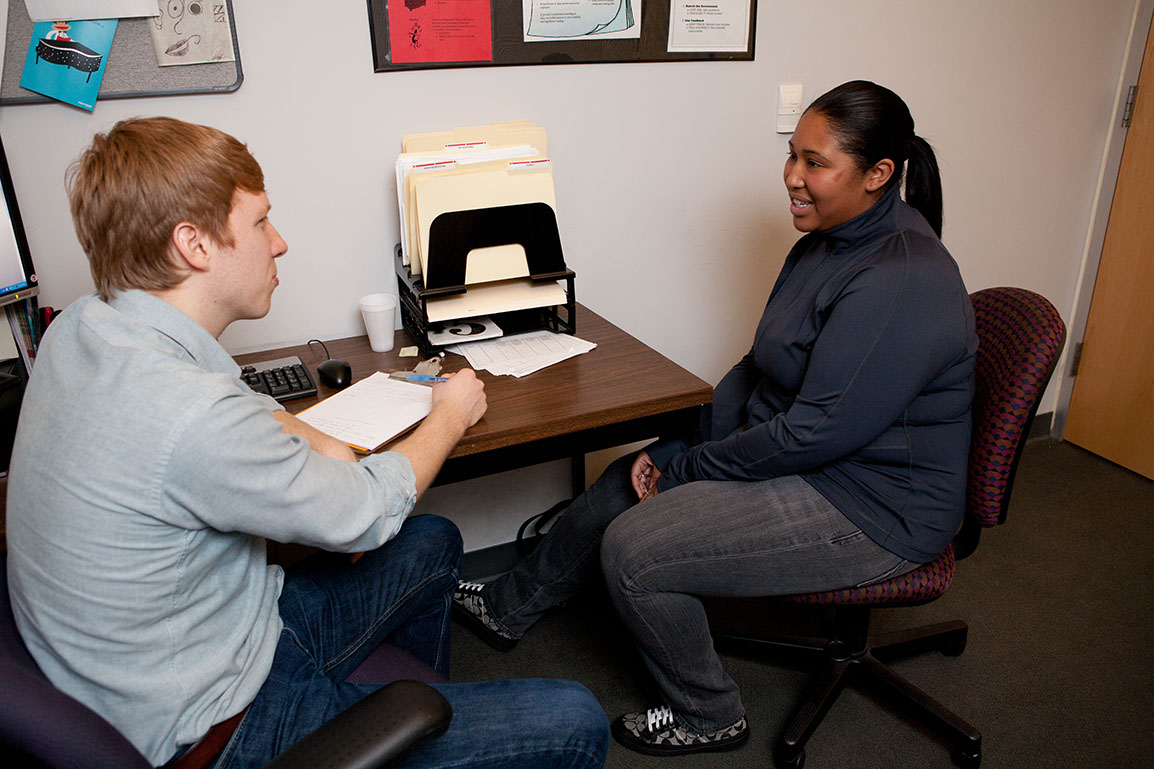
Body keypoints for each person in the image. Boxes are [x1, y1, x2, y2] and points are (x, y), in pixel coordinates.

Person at [5, 116, 609, 769]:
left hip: (194, 646)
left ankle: (415, 742)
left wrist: (323, 452)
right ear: (195, 244)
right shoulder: (190, 415)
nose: (280, 242)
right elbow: (366, 513)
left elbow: (248, 414)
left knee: (432, 543)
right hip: (219, 727)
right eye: (261, 222)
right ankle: (391, 737)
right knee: (576, 718)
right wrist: (451, 414)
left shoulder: (83, 328)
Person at [452, 80, 978, 757]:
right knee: (626, 475)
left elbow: (813, 433)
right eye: (793, 155)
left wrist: (690, 468)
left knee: (636, 551)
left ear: (879, 175)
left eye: (815, 163)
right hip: (817, 459)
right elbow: (758, 366)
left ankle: (709, 711)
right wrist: (682, 442)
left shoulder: (901, 278)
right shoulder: (825, 242)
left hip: (872, 506)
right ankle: (509, 605)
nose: (793, 176)